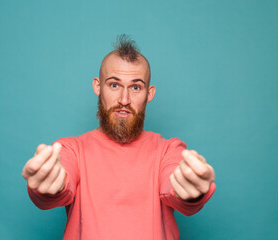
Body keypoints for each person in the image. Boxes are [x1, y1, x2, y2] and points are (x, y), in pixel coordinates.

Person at [22, 34, 216, 240]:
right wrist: (50, 186)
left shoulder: (169, 150)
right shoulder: (71, 149)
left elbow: (175, 188)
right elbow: (60, 184)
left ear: (149, 94)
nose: (124, 99)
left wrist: (190, 190)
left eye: (135, 87)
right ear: (98, 87)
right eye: (114, 85)